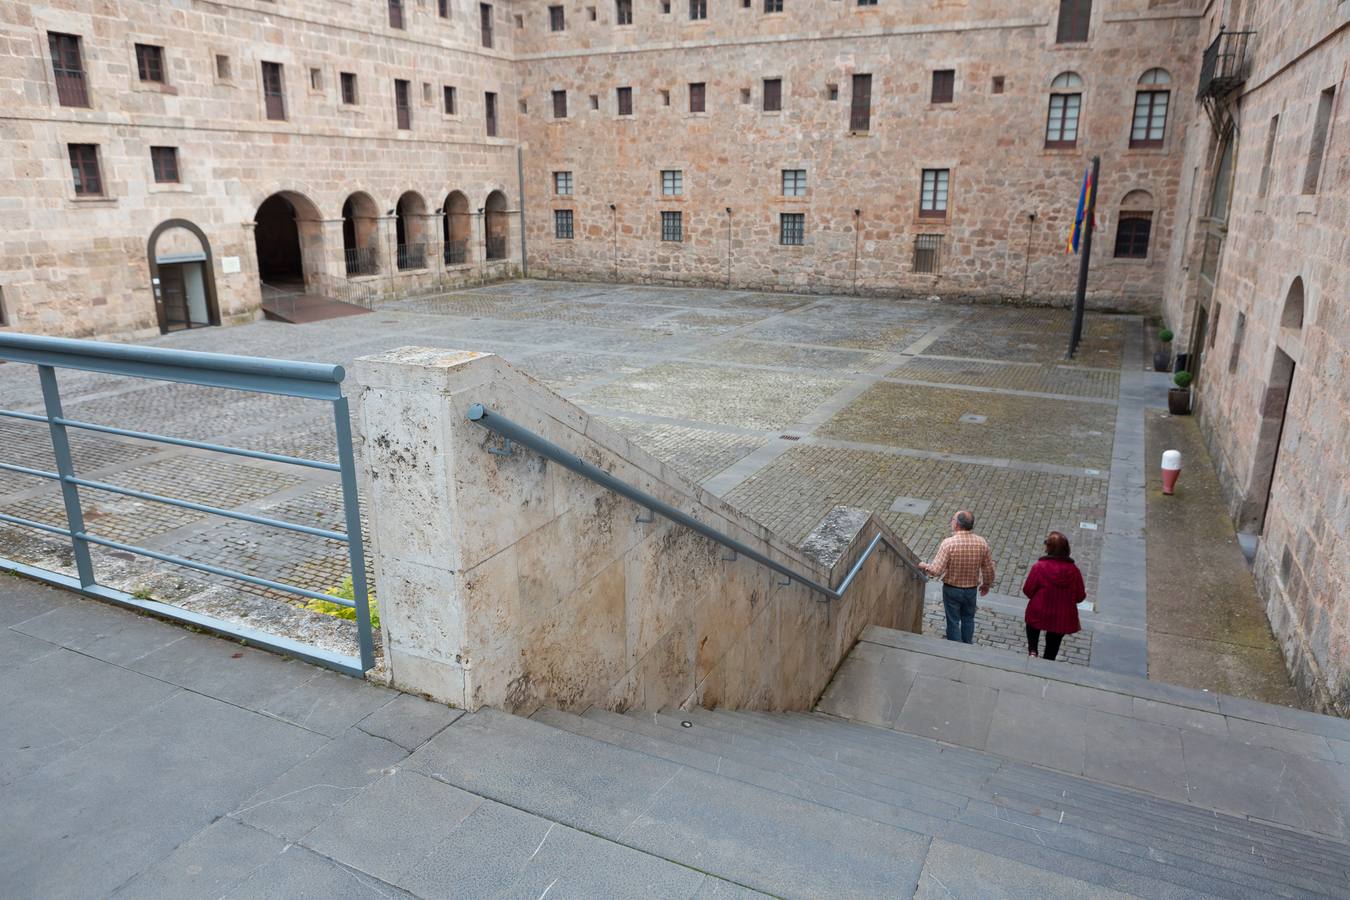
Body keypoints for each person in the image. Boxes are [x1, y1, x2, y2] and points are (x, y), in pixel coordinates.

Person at [920, 510, 995, 644]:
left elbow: (936, 570)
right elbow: (988, 568)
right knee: (968, 619)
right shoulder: (982, 543)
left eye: (952, 519)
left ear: (957, 525)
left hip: (952, 589)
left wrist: (924, 566)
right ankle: (966, 645)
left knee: (953, 620)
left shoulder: (949, 544)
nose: (951, 521)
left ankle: (955, 648)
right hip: (971, 590)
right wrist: (986, 584)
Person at [1022, 531, 1085, 661]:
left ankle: (1032, 651)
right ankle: (1048, 659)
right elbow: (1080, 596)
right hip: (1062, 615)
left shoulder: (1039, 567)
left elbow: (1028, 590)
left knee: (1032, 626)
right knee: (1054, 641)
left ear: (1049, 548)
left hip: (1039, 610)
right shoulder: (1074, 571)